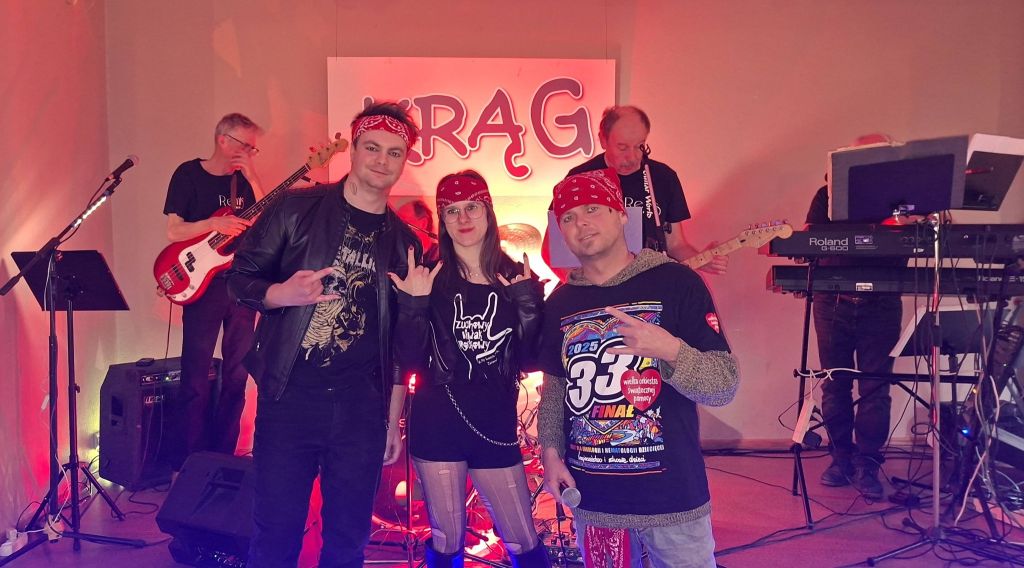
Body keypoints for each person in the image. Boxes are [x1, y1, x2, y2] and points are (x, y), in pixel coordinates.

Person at [226, 102, 421, 568]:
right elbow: (239, 278)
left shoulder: (405, 242)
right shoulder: (296, 209)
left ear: (404, 160)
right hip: (290, 399)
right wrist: (280, 293)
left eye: (394, 152)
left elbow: (399, 344)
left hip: (360, 411)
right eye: (372, 147)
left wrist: (391, 418)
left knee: (348, 543)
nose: (382, 160)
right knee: (275, 536)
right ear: (352, 149)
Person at [537, 168, 739, 568]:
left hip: (672, 499)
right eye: (568, 217)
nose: (581, 223)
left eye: (592, 209)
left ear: (621, 215)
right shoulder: (560, 302)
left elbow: (723, 385)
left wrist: (670, 350)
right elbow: (556, 390)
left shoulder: (676, 282)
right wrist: (550, 453)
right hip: (594, 500)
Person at [390, 171, 550, 568]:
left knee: (522, 538)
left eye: (472, 207)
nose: (463, 218)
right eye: (452, 211)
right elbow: (407, 361)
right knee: (446, 540)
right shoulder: (427, 276)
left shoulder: (515, 276)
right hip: (436, 421)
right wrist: (413, 305)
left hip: (494, 425)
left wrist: (527, 304)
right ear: (442, 220)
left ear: (488, 212)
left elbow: (531, 360)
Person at [163, 112, 265, 468]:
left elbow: (268, 223)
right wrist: (212, 224)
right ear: (223, 140)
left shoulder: (244, 182)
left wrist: (254, 177)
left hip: (240, 285)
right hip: (203, 287)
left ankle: (223, 458)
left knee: (237, 375)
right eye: (246, 145)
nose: (250, 152)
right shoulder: (188, 175)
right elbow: (173, 231)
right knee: (195, 375)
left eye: (253, 148)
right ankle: (190, 461)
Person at [809, 133, 903, 500]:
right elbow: (812, 240)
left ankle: (868, 464)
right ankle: (841, 458)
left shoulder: (903, 203)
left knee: (875, 388)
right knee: (835, 384)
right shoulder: (827, 195)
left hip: (882, 303)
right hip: (833, 301)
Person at [543, 105, 727, 275]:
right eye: (622, 147)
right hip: (599, 285)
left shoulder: (663, 177)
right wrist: (580, 289)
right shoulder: (579, 178)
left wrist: (702, 259)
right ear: (603, 140)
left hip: (651, 286)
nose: (632, 157)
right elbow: (550, 251)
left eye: (639, 146)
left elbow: (676, 245)